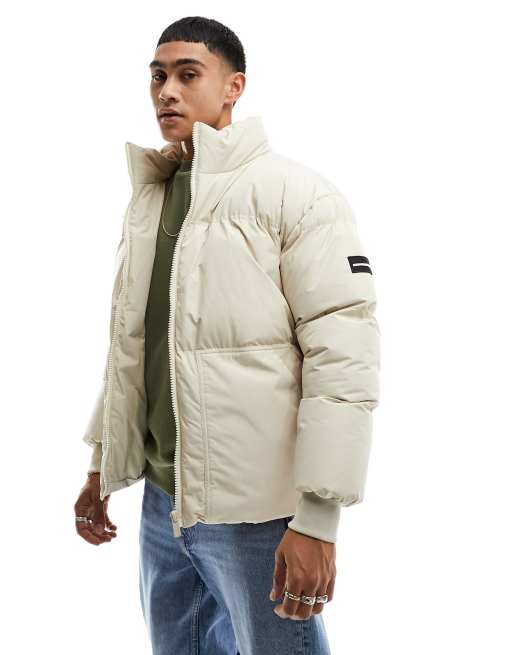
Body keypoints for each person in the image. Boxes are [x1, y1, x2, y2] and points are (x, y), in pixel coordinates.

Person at [74, 15, 380, 655]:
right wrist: (103, 462)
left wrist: (318, 518)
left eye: (188, 75)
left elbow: (343, 360)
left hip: (257, 515)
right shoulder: (151, 198)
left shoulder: (296, 195)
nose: (167, 91)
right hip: (163, 505)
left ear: (234, 86)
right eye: (158, 76)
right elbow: (133, 346)